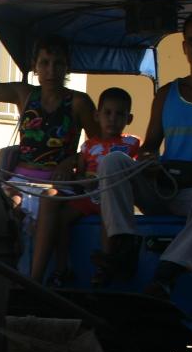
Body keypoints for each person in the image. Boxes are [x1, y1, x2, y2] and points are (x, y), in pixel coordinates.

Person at [94, 10, 192, 298]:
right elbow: (149, 147)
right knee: (113, 161)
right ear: (184, 47)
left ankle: (167, 273)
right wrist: (148, 162)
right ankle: (123, 245)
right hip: (164, 188)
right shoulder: (167, 94)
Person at [0, 10, 99, 274]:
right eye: (45, 62)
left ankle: (34, 282)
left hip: (59, 185)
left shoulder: (79, 102)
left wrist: (72, 160)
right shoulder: (24, 94)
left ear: (66, 67)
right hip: (19, 180)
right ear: (35, 66)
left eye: (57, 63)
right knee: (1, 202)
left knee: (48, 199)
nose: (50, 70)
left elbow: (95, 148)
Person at [29, 87, 141, 285]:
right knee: (62, 219)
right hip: (88, 196)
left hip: (112, 197)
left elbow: (136, 171)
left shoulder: (133, 143)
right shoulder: (88, 146)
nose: (113, 119)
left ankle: (104, 266)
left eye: (119, 114)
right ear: (97, 116)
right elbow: (79, 174)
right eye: (107, 113)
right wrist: (82, 180)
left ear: (129, 118)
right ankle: (62, 269)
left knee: (108, 215)